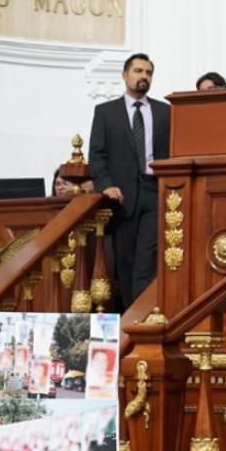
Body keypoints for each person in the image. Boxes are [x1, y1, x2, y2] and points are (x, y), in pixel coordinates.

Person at [88, 53, 171, 311]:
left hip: (154, 192)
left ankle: (141, 319)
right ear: (125, 75)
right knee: (125, 262)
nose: (143, 76)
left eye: (148, 72)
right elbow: (97, 155)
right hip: (121, 197)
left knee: (147, 262)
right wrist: (106, 185)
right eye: (138, 71)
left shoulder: (165, 112)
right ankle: (130, 321)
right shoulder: (105, 112)